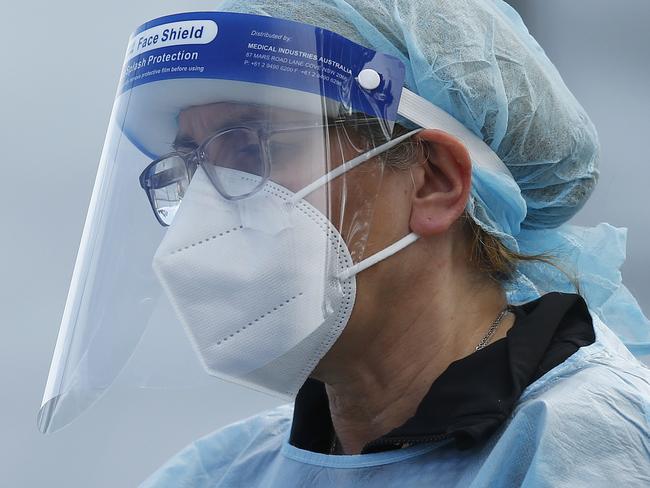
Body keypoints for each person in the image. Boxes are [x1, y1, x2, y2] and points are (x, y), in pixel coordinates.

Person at [37, 0, 650, 486]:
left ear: (434, 182)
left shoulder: (588, 446)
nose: (202, 209)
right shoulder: (231, 471)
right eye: (187, 167)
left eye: (251, 148)